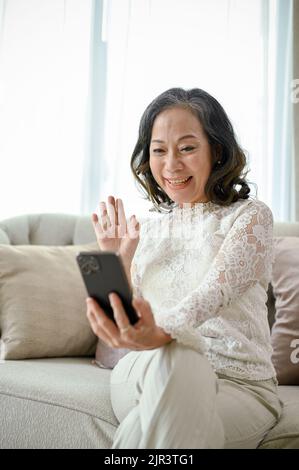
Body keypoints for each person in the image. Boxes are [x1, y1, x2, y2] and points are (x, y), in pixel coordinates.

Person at [85, 87, 282, 449]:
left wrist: (162, 334)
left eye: (187, 148)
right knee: (176, 358)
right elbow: (117, 342)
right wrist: (118, 264)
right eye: (159, 150)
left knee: (180, 365)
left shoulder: (250, 217)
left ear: (217, 151)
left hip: (239, 384)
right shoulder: (145, 229)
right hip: (144, 370)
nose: (171, 164)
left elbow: (212, 295)